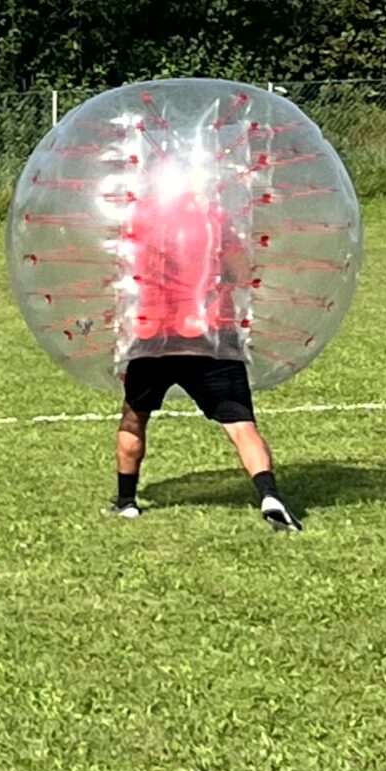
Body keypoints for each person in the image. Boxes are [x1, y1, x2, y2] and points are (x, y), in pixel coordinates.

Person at [113, 163, 299, 531]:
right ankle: (269, 495)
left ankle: (126, 502)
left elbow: (129, 273)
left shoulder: (141, 219)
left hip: (155, 335)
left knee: (135, 417)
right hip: (211, 335)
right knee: (241, 424)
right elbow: (240, 272)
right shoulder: (215, 219)